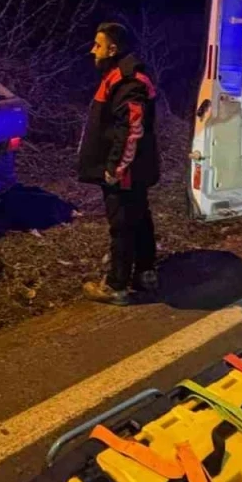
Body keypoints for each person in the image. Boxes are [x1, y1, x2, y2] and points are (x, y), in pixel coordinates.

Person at [77, 22, 160, 305]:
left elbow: (131, 129)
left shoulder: (128, 81)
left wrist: (115, 169)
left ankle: (116, 285)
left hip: (125, 171)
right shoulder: (119, 76)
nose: (93, 51)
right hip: (135, 168)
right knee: (139, 216)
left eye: (98, 45)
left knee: (122, 224)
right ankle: (145, 273)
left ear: (112, 49)